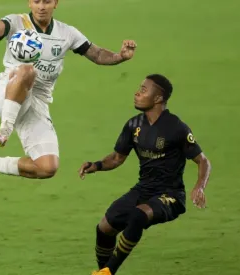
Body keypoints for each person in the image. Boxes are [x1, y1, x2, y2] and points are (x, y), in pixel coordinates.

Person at [0, 0, 137, 189]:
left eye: (47, 1)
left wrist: (120, 56)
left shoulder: (67, 33)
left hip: (37, 101)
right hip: (8, 93)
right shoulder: (17, 22)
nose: (41, 6)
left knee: (47, 167)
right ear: (29, 3)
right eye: (36, 1)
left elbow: (96, 54)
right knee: (27, 70)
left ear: (55, 3)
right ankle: (4, 130)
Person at [78, 74, 212, 275]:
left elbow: (203, 160)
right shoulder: (134, 125)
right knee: (105, 227)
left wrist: (199, 186)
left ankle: (108, 272)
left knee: (138, 215)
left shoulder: (176, 127)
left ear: (158, 98)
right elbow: (117, 158)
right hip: (144, 189)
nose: (137, 93)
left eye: (143, 90)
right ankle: (103, 271)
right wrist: (96, 165)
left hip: (171, 195)